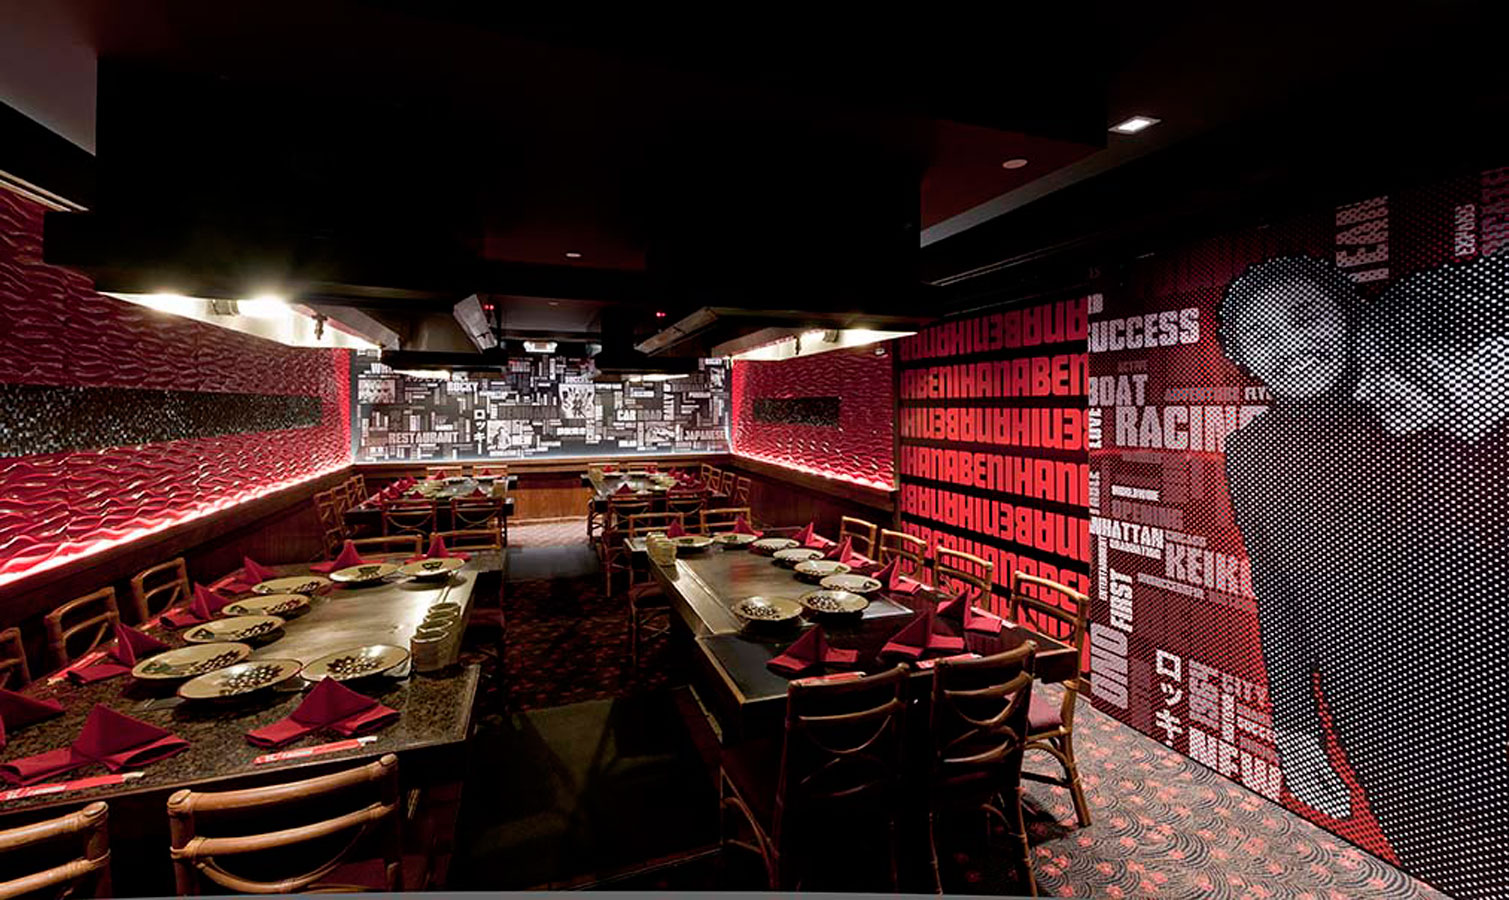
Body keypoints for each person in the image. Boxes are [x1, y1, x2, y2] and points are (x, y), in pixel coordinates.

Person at [1221, 255, 1509, 899]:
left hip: (1484, 694)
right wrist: (1297, 727)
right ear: (1249, 359)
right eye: (1267, 336)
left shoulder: (1437, 403)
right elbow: (1281, 598)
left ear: (1353, 318)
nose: (1295, 347)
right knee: (1438, 871)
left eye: (1308, 318)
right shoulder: (1248, 451)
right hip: (1372, 722)